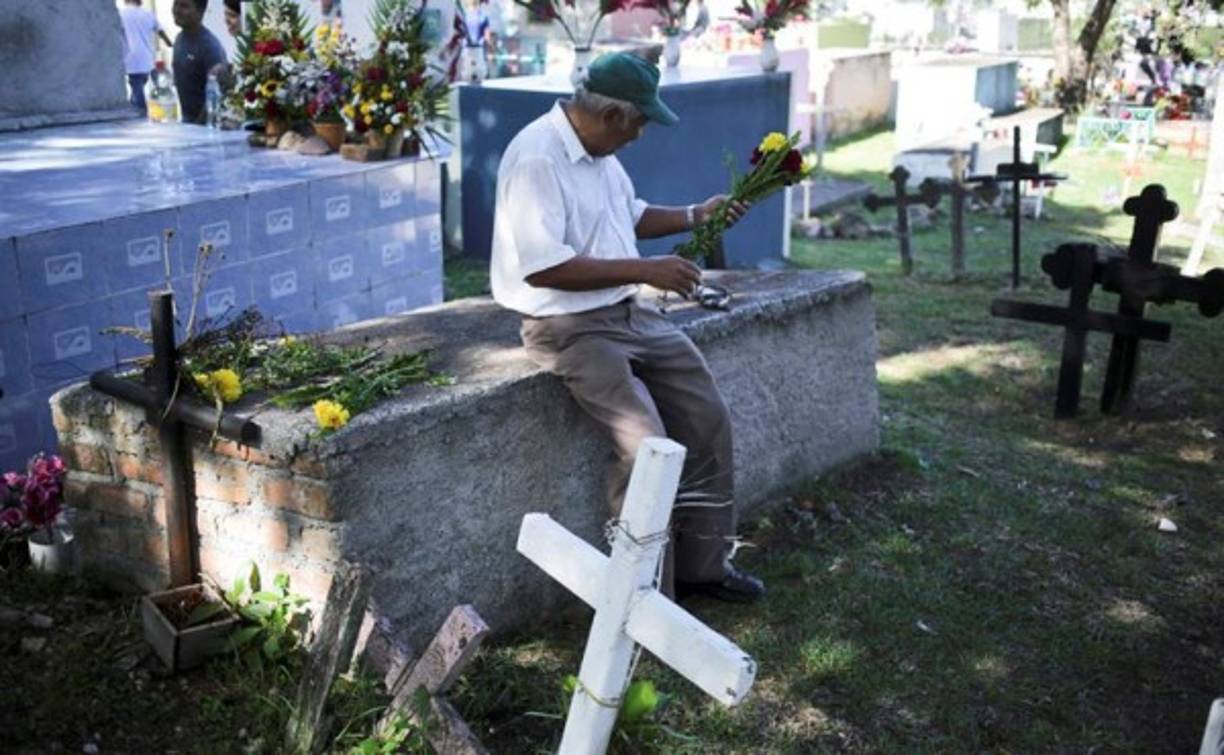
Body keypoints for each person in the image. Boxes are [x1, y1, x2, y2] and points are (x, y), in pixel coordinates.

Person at [490, 52, 765, 604]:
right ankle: (641, 599)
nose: (640, 134)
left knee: (707, 418)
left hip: (629, 312)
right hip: (567, 327)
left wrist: (695, 215)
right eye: (640, 121)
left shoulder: (599, 152)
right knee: (647, 449)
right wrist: (647, 269)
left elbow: (629, 215)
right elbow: (544, 266)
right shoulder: (538, 157)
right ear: (614, 114)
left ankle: (702, 569)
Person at [171, 0, 228, 124]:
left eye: (184, 6)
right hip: (186, 122)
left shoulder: (210, 46)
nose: (177, 10)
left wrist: (198, 127)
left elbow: (218, 93)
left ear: (200, 12)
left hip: (204, 127)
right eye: (176, 4)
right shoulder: (179, 39)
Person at [119, 0, 174, 116]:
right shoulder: (148, 14)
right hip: (147, 59)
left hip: (131, 59)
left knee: (137, 89)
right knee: (139, 86)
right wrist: (171, 44)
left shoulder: (121, 14)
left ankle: (141, 114)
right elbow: (161, 31)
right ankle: (139, 108)